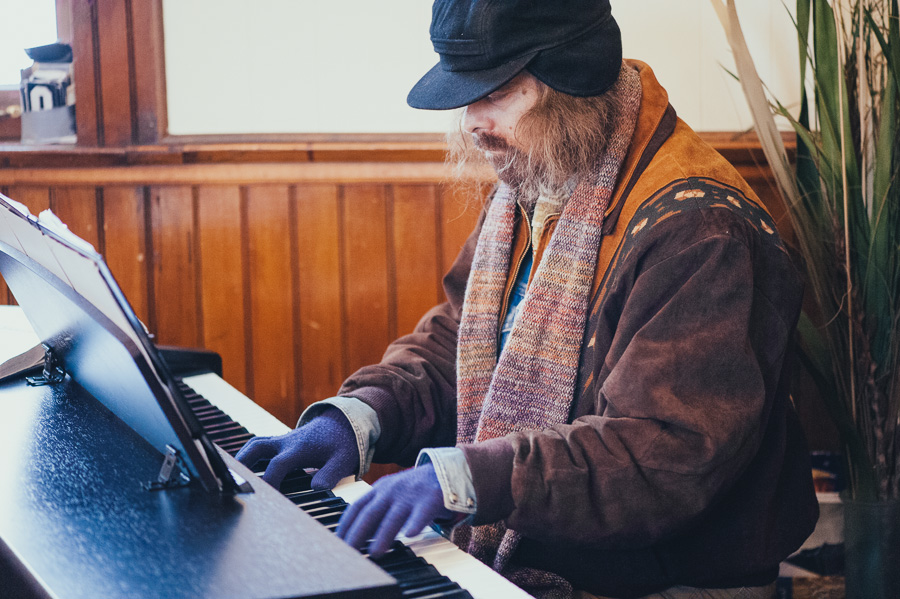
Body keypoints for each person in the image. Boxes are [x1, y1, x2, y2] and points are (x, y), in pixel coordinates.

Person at [236, 1, 819, 597]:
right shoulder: (545, 172)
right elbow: (459, 345)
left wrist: (468, 480)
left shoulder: (700, 229)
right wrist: (360, 417)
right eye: (468, 96)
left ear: (574, 78)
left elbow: (661, 456)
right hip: (543, 551)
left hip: (661, 579)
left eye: (497, 93)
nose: (472, 122)